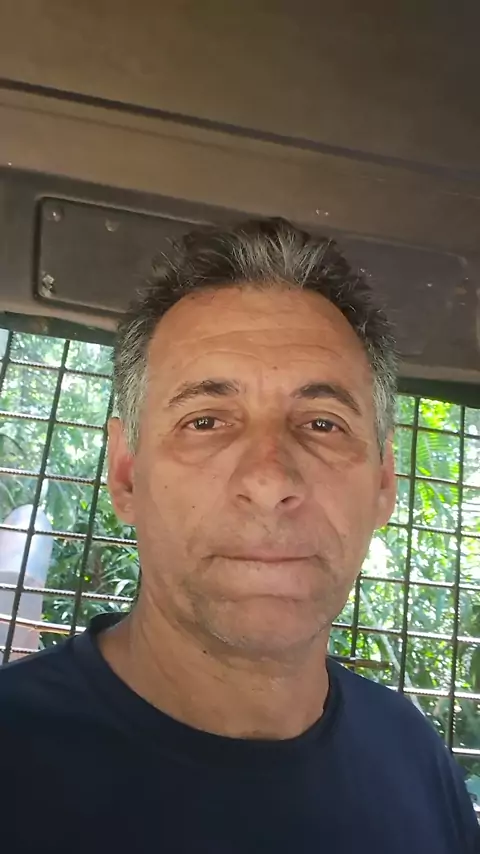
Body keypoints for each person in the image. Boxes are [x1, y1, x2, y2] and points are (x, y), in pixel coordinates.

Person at [0, 219, 478, 853]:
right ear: (126, 475)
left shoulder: (415, 761)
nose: (269, 480)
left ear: (384, 482)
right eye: (205, 421)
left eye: (323, 423)